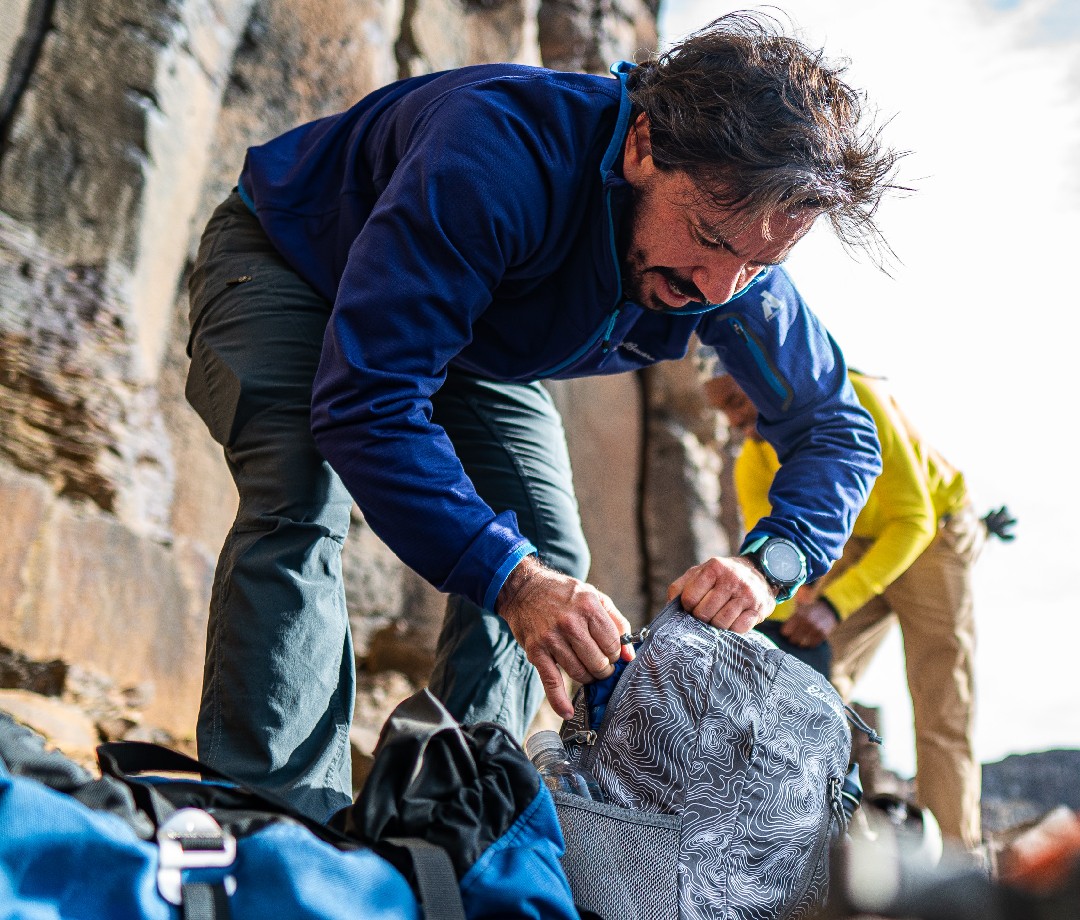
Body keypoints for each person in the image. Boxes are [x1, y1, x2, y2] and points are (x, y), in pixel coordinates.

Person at [184, 12, 899, 820]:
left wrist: (770, 566)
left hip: (473, 342)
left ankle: (441, 821)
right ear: (642, 148)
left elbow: (835, 430)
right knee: (300, 496)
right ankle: (275, 825)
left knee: (549, 550)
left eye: (759, 264)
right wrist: (511, 579)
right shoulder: (495, 151)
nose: (717, 291)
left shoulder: (735, 260)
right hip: (293, 263)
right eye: (705, 237)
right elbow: (367, 399)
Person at [706, 369, 1016, 853]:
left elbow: (913, 520)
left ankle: (955, 863)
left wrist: (833, 604)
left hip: (933, 531)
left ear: (761, 365)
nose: (734, 418)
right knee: (810, 681)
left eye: (734, 398)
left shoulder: (858, 397)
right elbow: (776, 567)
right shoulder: (753, 461)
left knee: (941, 699)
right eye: (720, 409)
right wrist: (799, 599)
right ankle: (796, 843)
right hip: (854, 546)